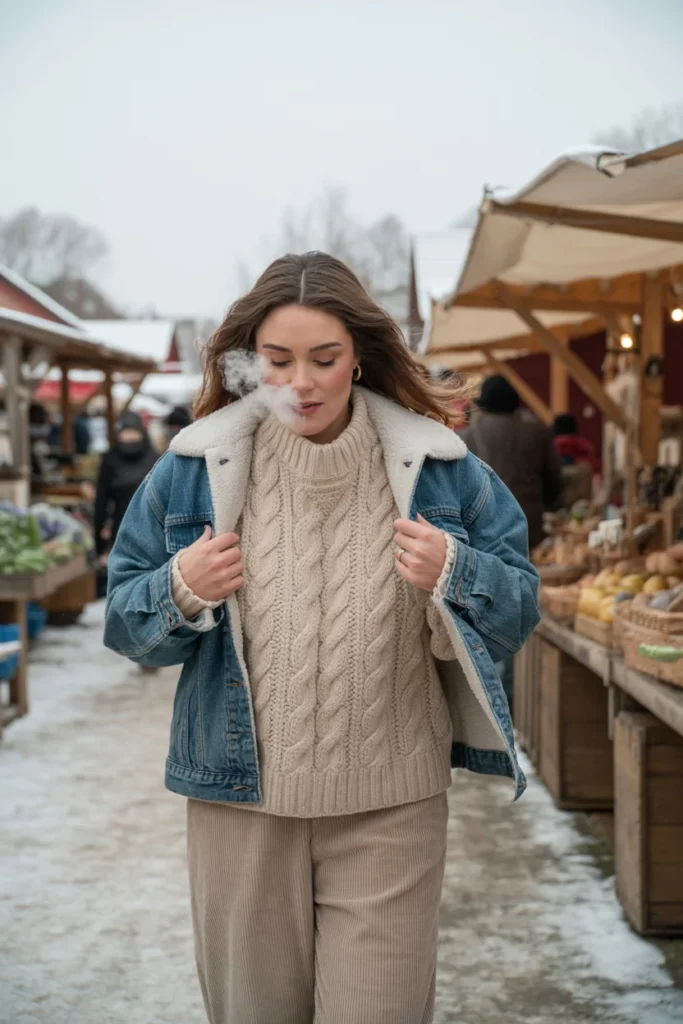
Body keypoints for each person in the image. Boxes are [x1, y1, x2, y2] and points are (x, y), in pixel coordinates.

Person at [104, 252, 539, 1024]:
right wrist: (180, 589)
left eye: (323, 359)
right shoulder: (192, 468)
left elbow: (518, 612)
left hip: (392, 808)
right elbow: (124, 624)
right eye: (276, 361)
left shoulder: (443, 470)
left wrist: (457, 571)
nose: (299, 383)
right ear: (248, 361)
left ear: (360, 356)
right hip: (238, 808)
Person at [461, 375, 564, 552]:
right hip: (528, 527)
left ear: (482, 403)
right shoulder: (537, 432)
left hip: (483, 533)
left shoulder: (466, 437)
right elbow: (554, 482)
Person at [93, 411, 158, 560]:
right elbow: (101, 502)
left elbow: (100, 502)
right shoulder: (154, 458)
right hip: (143, 533)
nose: (129, 438)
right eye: (126, 433)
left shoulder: (110, 459)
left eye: (132, 433)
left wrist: (99, 545)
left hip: (131, 532)